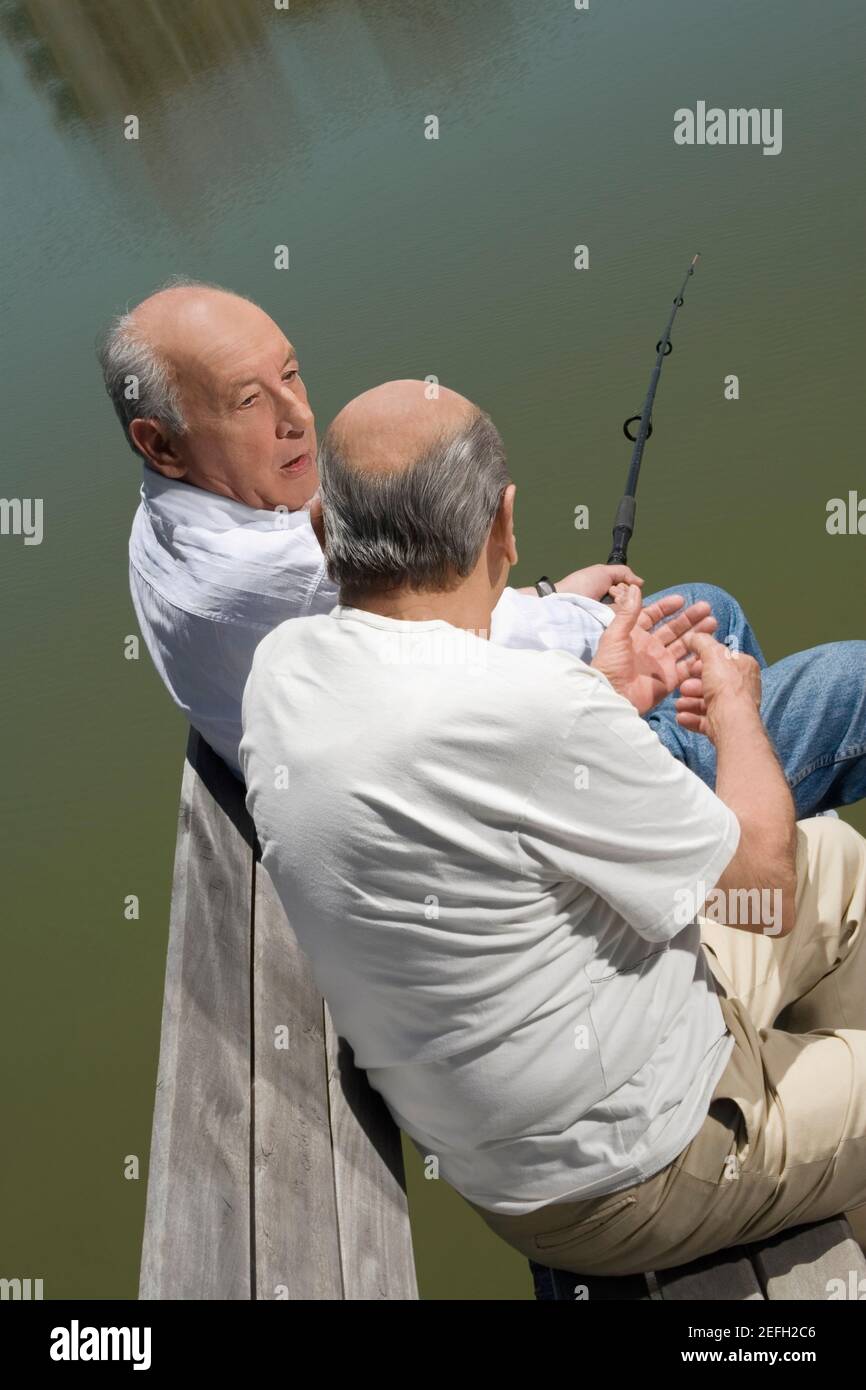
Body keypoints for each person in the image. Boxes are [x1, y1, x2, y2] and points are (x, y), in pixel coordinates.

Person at [239, 379, 866, 1272]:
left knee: (836, 859)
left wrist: (606, 702)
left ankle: (819, 1101)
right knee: (796, 863)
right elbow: (761, 891)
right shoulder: (531, 706)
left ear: (320, 530)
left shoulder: (281, 668)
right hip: (631, 1173)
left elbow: (470, 784)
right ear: (505, 525)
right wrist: (734, 711)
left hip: (529, 1114)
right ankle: (803, 1124)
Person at [98, 279, 866, 813]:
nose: (298, 415)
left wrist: (543, 595)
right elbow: (471, 644)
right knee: (789, 665)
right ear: (160, 442)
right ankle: (740, 852)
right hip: (524, 795)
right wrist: (576, 614)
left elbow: (430, 625)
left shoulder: (161, 526)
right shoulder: (290, 568)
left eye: (292, 374)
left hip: (416, 767)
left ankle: (757, 817)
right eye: (247, 400)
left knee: (707, 613)